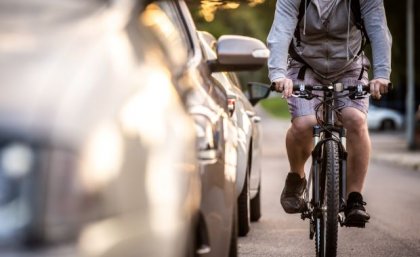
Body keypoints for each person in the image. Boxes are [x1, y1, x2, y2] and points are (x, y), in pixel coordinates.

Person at [267, 0, 392, 225]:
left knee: (355, 120)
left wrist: (382, 74)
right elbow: (281, 29)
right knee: (305, 124)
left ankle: (354, 198)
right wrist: (278, 74)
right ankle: (297, 177)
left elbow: (379, 29)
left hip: (350, 66)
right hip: (304, 65)